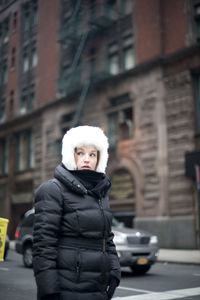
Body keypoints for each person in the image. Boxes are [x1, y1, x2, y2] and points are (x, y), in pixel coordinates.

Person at [33, 125, 121, 300]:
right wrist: (50, 291)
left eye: (92, 154)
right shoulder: (53, 189)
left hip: (98, 288)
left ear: (100, 159)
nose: (86, 159)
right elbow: (44, 246)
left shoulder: (100, 192)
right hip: (67, 289)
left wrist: (115, 271)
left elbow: (107, 238)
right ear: (70, 155)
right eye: (80, 153)